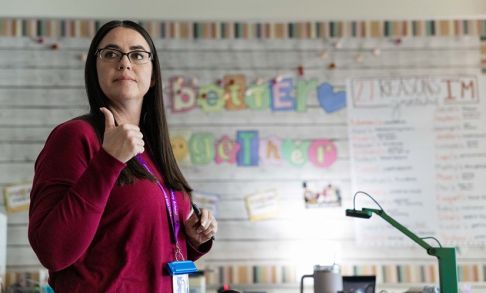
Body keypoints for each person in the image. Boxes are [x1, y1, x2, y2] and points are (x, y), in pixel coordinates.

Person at [28, 20, 217, 292]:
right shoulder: (74, 137)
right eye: (111, 53)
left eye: (138, 55)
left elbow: (136, 250)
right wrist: (108, 161)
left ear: (153, 77)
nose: (125, 63)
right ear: (95, 70)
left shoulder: (153, 147)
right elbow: (53, 251)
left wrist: (194, 237)